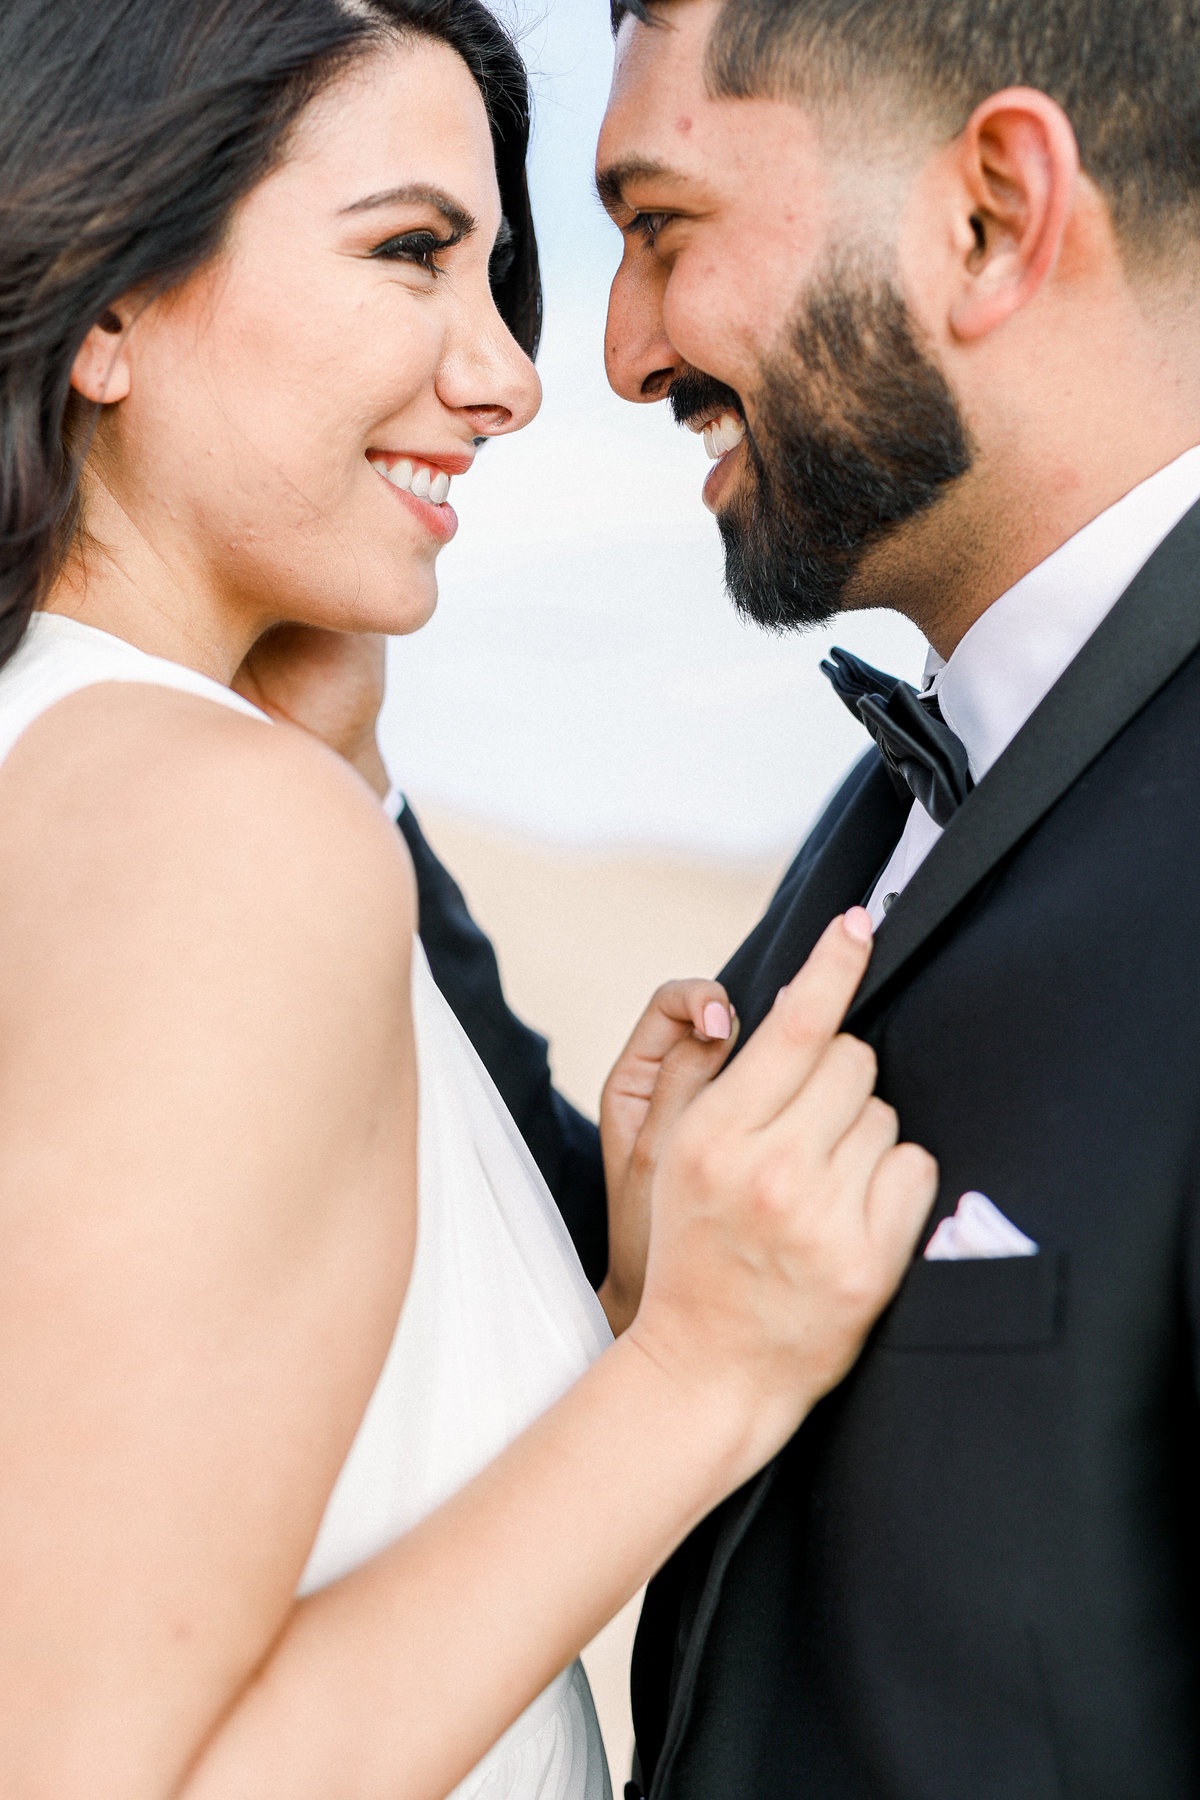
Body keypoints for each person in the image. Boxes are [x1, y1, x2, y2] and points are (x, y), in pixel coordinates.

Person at [0, 2, 943, 1797]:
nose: (512, 371)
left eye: (500, 272)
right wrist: (702, 1375)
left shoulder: (111, 777)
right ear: (106, 300)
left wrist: (595, 1280)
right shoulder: (216, 833)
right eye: (411, 253)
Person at [343, 0, 1200, 1792]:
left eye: (659, 229)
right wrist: (337, 752)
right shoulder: (903, 793)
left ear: (991, 215)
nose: (618, 350)